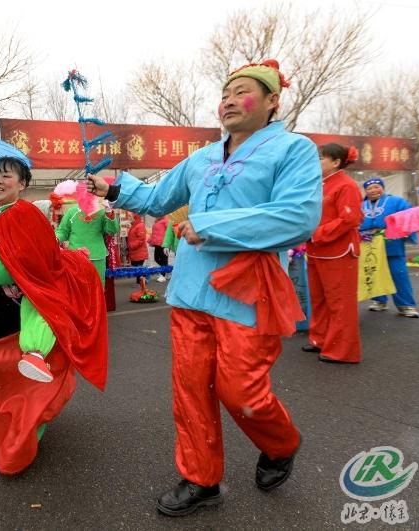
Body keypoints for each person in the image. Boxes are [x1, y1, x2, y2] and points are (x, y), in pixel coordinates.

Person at [89, 59, 320, 516]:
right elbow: (157, 199)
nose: (229, 101)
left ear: (273, 101)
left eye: (242, 92)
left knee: (241, 392)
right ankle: (200, 478)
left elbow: (299, 217)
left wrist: (211, 226)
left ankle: (281, 444)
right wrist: (111, 189)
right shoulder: (202, 157)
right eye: (225, 93)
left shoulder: (294, 150)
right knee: (190, 390)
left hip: (247, 291)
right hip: (191, 292)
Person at [0, 155, 108, 384]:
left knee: (40, 300)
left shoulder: (26, 213)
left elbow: (30, 262)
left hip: (25, 282)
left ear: (22, 184)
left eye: (6, 176)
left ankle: (36, 353)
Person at [302, 143, 363, 362]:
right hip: (317, 250)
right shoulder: (319, 185)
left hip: (338, 252)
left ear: (336, 162)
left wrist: (316, 233)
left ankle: (342, 350)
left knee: (340, 302)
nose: (316, 162)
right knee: (319, 299)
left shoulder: (347, 185)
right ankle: (319, 339)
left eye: (320, 158)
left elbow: (350, 219)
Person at [359, 178, 419, 317]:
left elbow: (408, 216)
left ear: (383, 188)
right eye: (369, 188)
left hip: (392, 244)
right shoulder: (360, 205)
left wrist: (395, 229)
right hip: (369, 245)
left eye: (376, 187)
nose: (373, 190)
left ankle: (406, 305)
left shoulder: (396, 201)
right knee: (373, 273)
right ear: (365, 191)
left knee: (399, 273)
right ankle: (379, 301)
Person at [54, 198, 120, 285]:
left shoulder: (101, 211)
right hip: (75, 256)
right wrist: (56, 239)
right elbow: (63, 231)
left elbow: (112, 230)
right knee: (78, 287)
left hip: (96, 256)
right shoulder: (72, 211)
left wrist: (109, 213)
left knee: (97, 286)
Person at [127, 213, 149, 283]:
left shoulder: (140, 225)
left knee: (139, 268)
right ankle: (140, 282)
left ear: (135, 217)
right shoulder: (134, 225)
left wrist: (132, 245)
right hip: (135, 251)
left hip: (139, 251)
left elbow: (141, 239)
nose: (129, 218)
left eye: (130, 217)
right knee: (136, 268)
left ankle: (143, 281)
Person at [149, 216, 169, 282]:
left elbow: (169, 231)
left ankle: (163, 275)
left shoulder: (165, 220)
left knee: (164, 259)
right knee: (156, 258)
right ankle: (166, 270)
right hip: (157, 243)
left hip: (163, 243)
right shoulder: (157, 222)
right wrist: (151, 240)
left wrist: (167, 242)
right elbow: (154, 233)